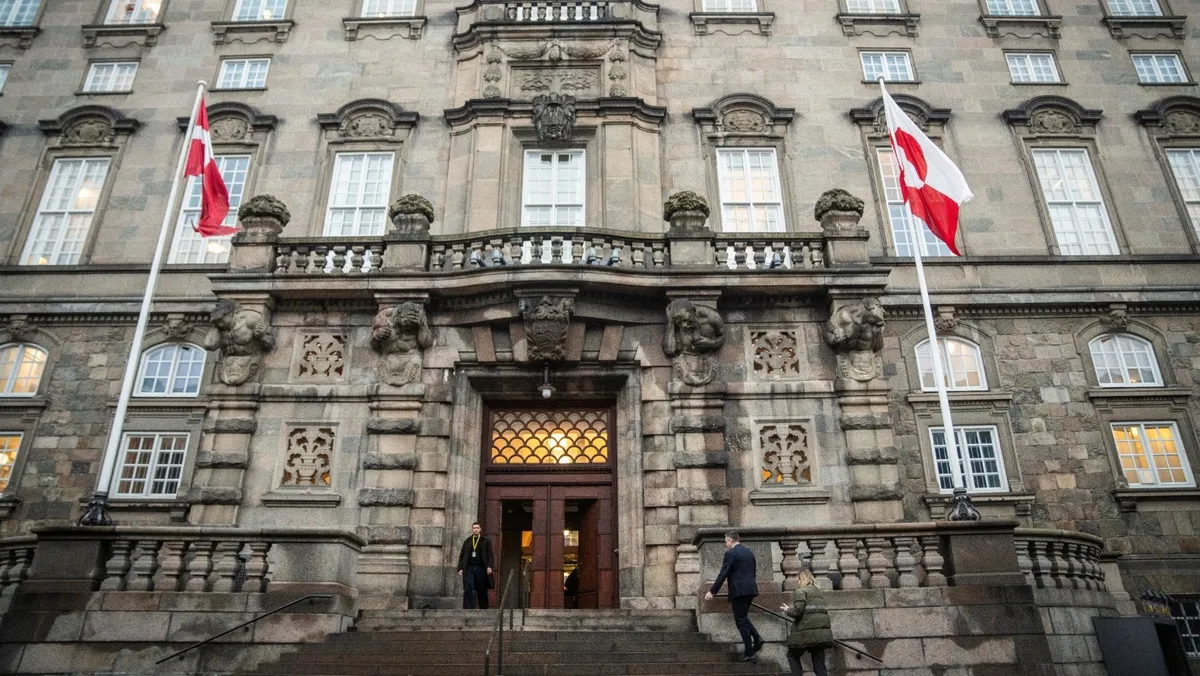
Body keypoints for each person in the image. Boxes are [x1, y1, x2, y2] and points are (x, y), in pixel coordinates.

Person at [704, 531, 764, 662]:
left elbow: (723, 573)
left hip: (739, 591)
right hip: (751, 589)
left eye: (726, 541)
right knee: (742, 617)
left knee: (740, 621)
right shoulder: (749, 552)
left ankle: (749, 652)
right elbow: (753, 572)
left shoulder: (730, 554)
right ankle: (757, 638)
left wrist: (712, 591)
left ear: (731, 540)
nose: (726, 544)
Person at [780, 569, 833, 676]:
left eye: (798, 579)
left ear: (801, 579)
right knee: (819, 665)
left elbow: (798, 612)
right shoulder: (818, 592)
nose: (798, 581)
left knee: (792, 655)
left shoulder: (801, 591)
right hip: (821, 634)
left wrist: (788, 610)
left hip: (806, 633)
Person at [457, 522, 494, 609]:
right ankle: (468, 608)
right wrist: (460, 568)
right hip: (469, 568)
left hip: (481, 568)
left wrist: (489, 566)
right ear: (472, 529)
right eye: (474, 528)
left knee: (482, 588)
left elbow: (490, 555)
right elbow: (462, 555)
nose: (476, 529)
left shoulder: (486, 541)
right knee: (468, 587)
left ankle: (483, 608)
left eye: (477, 528)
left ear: (480, 529)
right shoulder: (467, 541)